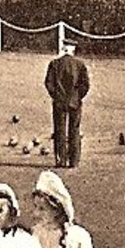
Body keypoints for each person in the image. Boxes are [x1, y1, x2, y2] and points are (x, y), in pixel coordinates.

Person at [44, 39, 92, 169]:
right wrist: (78, 97)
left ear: (63, 49)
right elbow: (85, 85)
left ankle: (61, 160)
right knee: (74, 131)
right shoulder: (79, 65)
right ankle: (74, 161)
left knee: (59, 131)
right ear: (73, 50)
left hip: (59, 102)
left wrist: (56, 96)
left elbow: (48, 83)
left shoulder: (54, 64)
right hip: (74, 102)